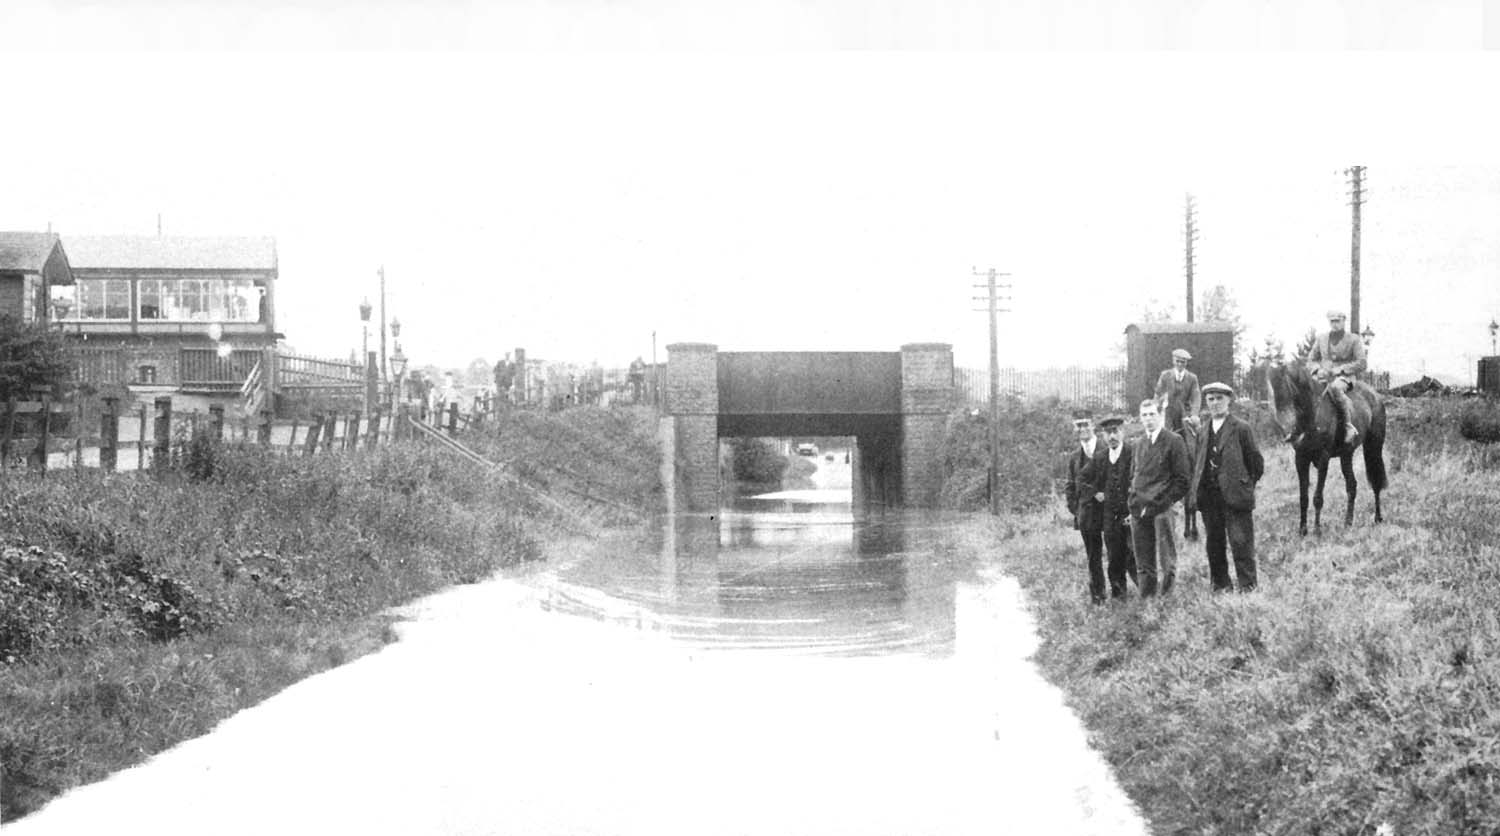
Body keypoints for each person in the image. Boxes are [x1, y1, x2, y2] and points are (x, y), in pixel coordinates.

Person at [1189, 382, 1265, 592]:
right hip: (1209, 498)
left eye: (1219, 398)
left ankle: (1248, 587)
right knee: (1214, 544)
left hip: (1235, 497)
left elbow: (1256, 463)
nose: (1215, 403)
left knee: (1241, 543)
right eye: (1211, 399)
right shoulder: (1203, 431)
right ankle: (1221, 586)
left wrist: (1243, 484)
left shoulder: (1241, 428)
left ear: (1229, 400)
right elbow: (1198, 462)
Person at [1128, 398, 1190, 597]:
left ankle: (1166, 599)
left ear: (1160, 416)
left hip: (1162, 508)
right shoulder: (1138, 444)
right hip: (1139, 509)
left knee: (1167, 560)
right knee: (1143, 561)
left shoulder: (1174, 440)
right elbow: (1133, 476)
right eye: (1144, 415)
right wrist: (1134, 502)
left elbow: (1182, 480)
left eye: (1152, 414)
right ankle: (1147, 600)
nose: (1148, 419)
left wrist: (1163, 502)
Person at [1064, 411, 1107, 604]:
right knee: (1093, 557)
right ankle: (1098, 596)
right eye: (1078, 425)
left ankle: (1123, 591)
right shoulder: (1074, 456)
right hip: (1087, 514)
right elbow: (1070, 485)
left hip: (1108, 511)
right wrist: (1076, 508)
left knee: (1120, 553)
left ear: (1093, 425)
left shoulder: (1106, 448)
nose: (1082, 429)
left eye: (1085, 424)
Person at [1307, 309, 1367, 444]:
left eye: (1338, 321)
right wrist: (1317, 369)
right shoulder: (1321, 339)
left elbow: (1362, 362)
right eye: (1332, 321)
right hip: (1323, 376)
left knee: (1335, 388)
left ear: (1344, 321)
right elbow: (1311, 359)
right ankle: (1302, 429)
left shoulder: (1354, 339)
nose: (1335, 324)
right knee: (1307, 390)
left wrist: (1341, 369)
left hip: (1344, 378)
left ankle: (1348, 426)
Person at [1097, 415, 1137, 599]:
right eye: (1108, 433)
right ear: (1104, 436)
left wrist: (1134, 508)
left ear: (1123, 432)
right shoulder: (1101, 457)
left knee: (1133, 556)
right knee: (1114, 557)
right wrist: (1095, 493)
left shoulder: (1132, 453)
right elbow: (1082, 479)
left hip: (1130, 515)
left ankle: (1147, 593)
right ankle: (1119, 597)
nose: (1112, 436)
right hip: (1109, 518)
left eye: (1115, 431)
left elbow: (1140, 480)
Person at [1154, 348, 1201, 435]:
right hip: (1168, 412)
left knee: (1185, 436)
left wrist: (1194, 414)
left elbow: (1196, 397)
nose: (1180, 364)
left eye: (1183, 362)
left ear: (1186, 363)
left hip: (1184, 413)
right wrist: (1156, 409)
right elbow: (1158, 393)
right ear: (1173, 361)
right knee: (1166, 435)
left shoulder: (1192, 378)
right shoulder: (1165, 375)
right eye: (1177, 361)